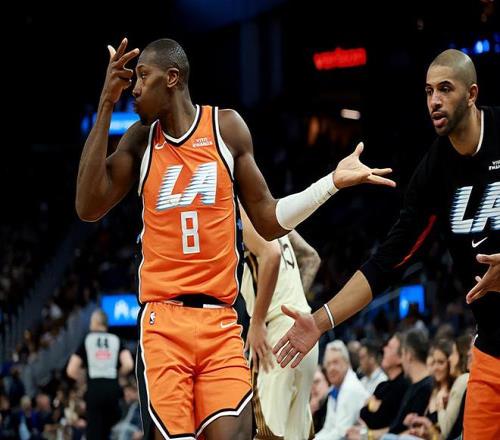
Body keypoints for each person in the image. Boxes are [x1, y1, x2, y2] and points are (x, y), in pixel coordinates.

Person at [75, 36, 395, 440]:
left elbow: (270, 220)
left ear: (172, 78)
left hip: (221, 322)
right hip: (164, 323)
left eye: (142, 76)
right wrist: (106, 102)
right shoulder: (140, 142)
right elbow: (88, 205)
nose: (133, 89)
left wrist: (330, 182)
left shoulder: (225, 129)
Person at [273, 48, 500, 439]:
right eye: (428, 91)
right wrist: (320, 321)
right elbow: (386, 263)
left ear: (472, 94)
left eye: (445, 89)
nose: (434, 100)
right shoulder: (432, 173)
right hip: (491, 348)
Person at [240, 207, 321, 439]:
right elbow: (312, 258)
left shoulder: (238, 211)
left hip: (273, 332)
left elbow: (272, 255)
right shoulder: (273, 215)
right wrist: (290, 306)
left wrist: (258, 321)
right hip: (304, 326)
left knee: (266, 433)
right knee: (297, 435)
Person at [66, 309, 134, 440]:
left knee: (94, 433)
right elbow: (129, 364)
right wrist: (117, 375)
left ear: (96, 322)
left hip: (94, 390)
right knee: (110, 431)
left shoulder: (88, 339)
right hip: (112, 389)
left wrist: (84, 380)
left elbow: (71, 369)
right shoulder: (116, 339)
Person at [346, 333, 410, 439]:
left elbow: (394, 427)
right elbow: (363, 413)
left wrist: (367, 433)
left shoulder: (404, 386)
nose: (384, 349)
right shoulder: (382, 386)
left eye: (389, 347)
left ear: (401, 357)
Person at [315, 340, 369, 440]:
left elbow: (341, 433)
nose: (331, 368)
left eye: (335, 362)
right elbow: (328, 428)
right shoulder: (334, 389)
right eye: (328, 364)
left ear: (347, 363)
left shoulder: (351, 388)